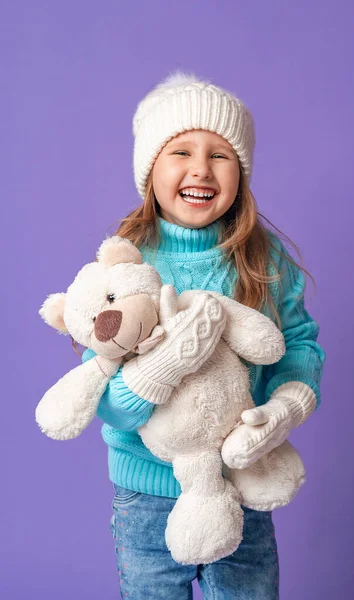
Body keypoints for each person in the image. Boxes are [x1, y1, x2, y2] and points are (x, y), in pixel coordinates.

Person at [81, 70, 326, 599]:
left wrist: (286, 407)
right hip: (145, 497)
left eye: (220, 155)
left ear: (241, 173)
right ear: (149, 170)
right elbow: (101, 391)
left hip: (243, 483)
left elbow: (299, 346)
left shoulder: (264, 261)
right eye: (181, 152)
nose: (201, 169)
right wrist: (152, 376)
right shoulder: (124, 267)